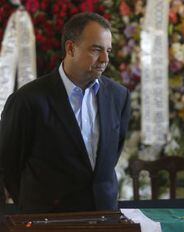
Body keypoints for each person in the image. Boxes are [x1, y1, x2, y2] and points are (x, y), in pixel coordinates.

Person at [0, 12, 131, 213]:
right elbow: (8, 166)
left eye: (108, 50)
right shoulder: (27, 100)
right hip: (48, 223)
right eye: (96, 50)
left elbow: (109, 158)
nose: (105, 59)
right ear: (70, 48)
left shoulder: (118, 96)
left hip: (104, 218)